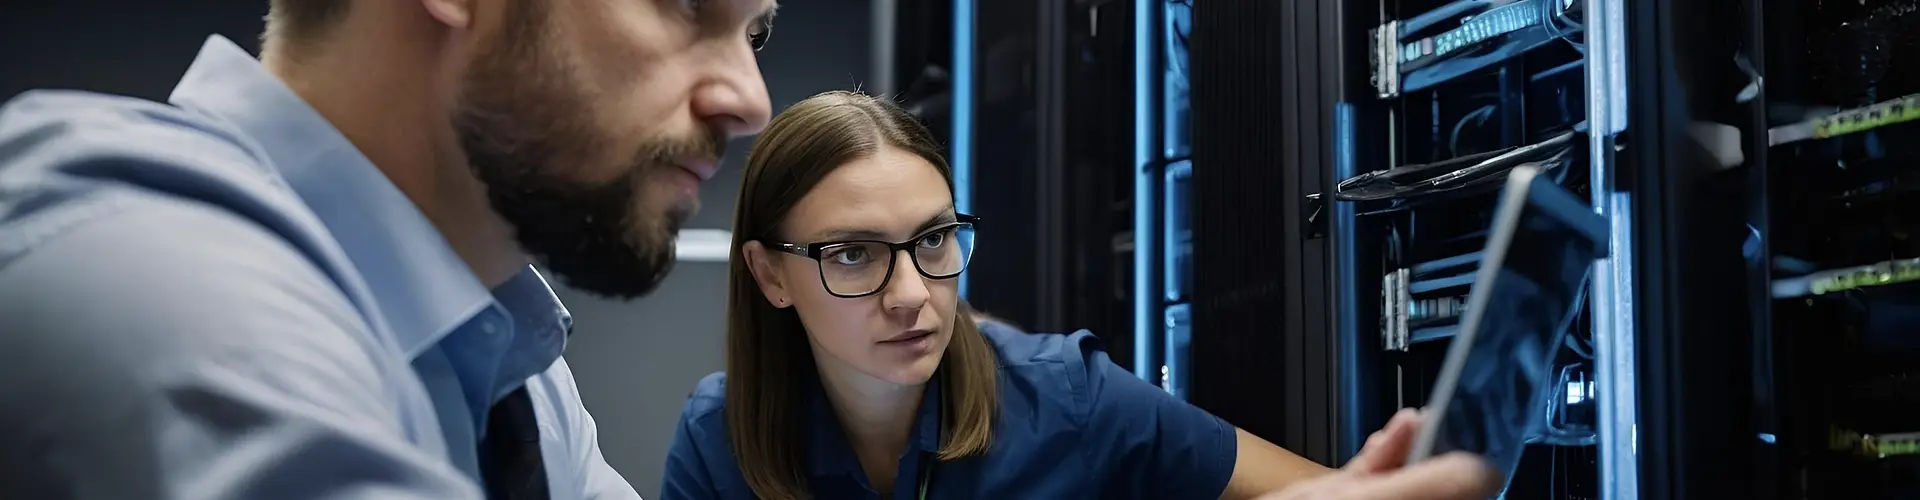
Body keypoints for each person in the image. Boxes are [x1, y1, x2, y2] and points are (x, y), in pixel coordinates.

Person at [0, 0, 775, 498]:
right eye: (685, 5)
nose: (751, 102)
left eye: (755, 33)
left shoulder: (514, 369)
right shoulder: (145, 271)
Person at [657, 91, 1503, 500]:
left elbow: (1311, 493)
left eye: (934, 240)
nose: (912, 294)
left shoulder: (1065, 395)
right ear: (770, 275)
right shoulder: (719, 441)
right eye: (853, 254)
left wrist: (1367, 487)